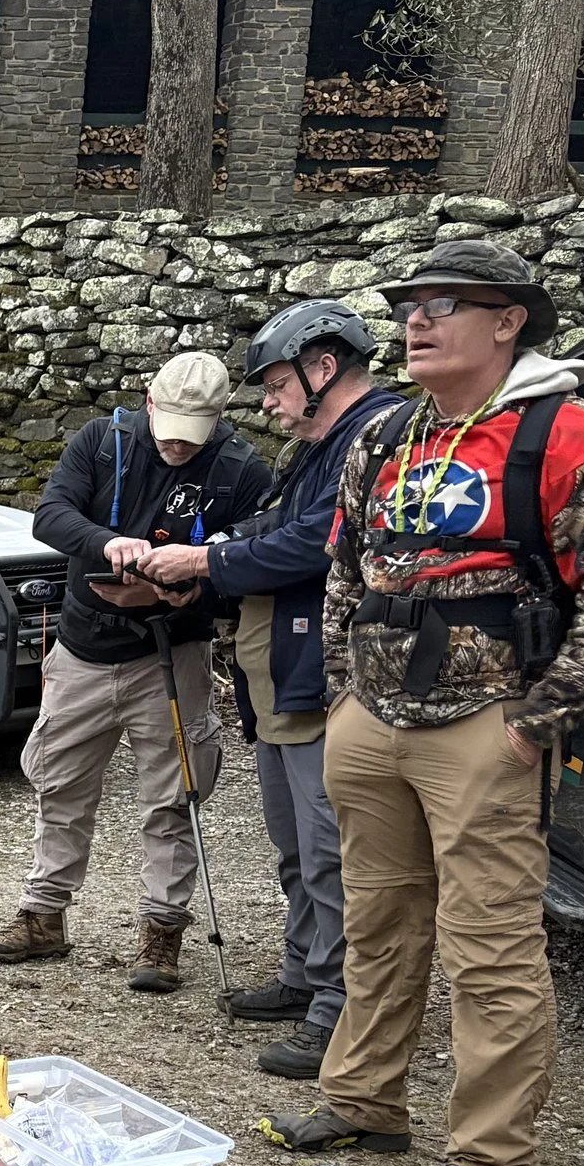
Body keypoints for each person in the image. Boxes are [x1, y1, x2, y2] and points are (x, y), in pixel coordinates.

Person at [262, 240, 584, 1166]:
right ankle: (361, 1100)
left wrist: (535, 723)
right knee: (379, 923)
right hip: (373, 720)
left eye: (442, 303)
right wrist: (345, 693)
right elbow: (345, 568)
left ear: (508, 319)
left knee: (491, 947)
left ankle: (495, 1161)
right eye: (407, 304)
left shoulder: (570, 434)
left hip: (487, 727)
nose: (414, 320)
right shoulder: (388, 438)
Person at [138, 303, 402, 1078]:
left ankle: (336, 1011)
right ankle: (303, 976)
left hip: (324, 686)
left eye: (278, 384)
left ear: (323, 370)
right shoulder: (317, 445)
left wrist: (203, 566)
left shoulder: (374, 435)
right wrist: (214, 561)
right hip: (284, 683)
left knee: (329, 854)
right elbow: (273, 526)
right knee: (296, 848)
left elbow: (316, 541)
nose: (267, 403)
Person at [0, 351, 275, 992]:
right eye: (167, 427)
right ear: (148, 400)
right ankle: (43, 916)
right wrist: (106, 544)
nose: (174, 444)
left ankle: (162, 931)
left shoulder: (244, 470)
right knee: (59, 783)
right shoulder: (99, 439)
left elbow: (251, 561)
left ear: (220, 419)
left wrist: (191, 586)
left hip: (175, 650)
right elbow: (51, 514)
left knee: (175, 795)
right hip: (84, 644)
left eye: (191, 434)